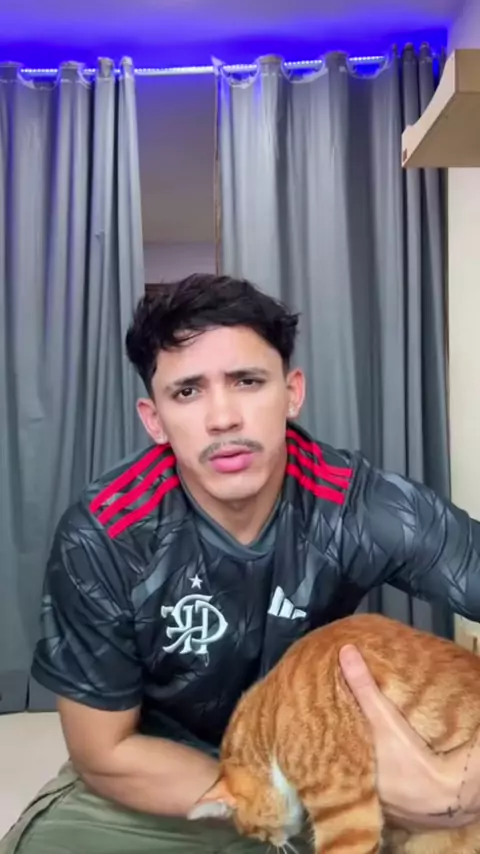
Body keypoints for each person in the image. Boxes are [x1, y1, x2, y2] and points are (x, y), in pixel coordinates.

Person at [2, 273, 480, 854]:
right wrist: (271, 804)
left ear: (292, 392)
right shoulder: (104, 534)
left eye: (247, 381)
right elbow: (105, 752)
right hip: (168, 776)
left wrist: (461, 782)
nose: (223, 418)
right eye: (187, 392)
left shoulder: (361, 504)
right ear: (154, 420)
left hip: (329, 751)